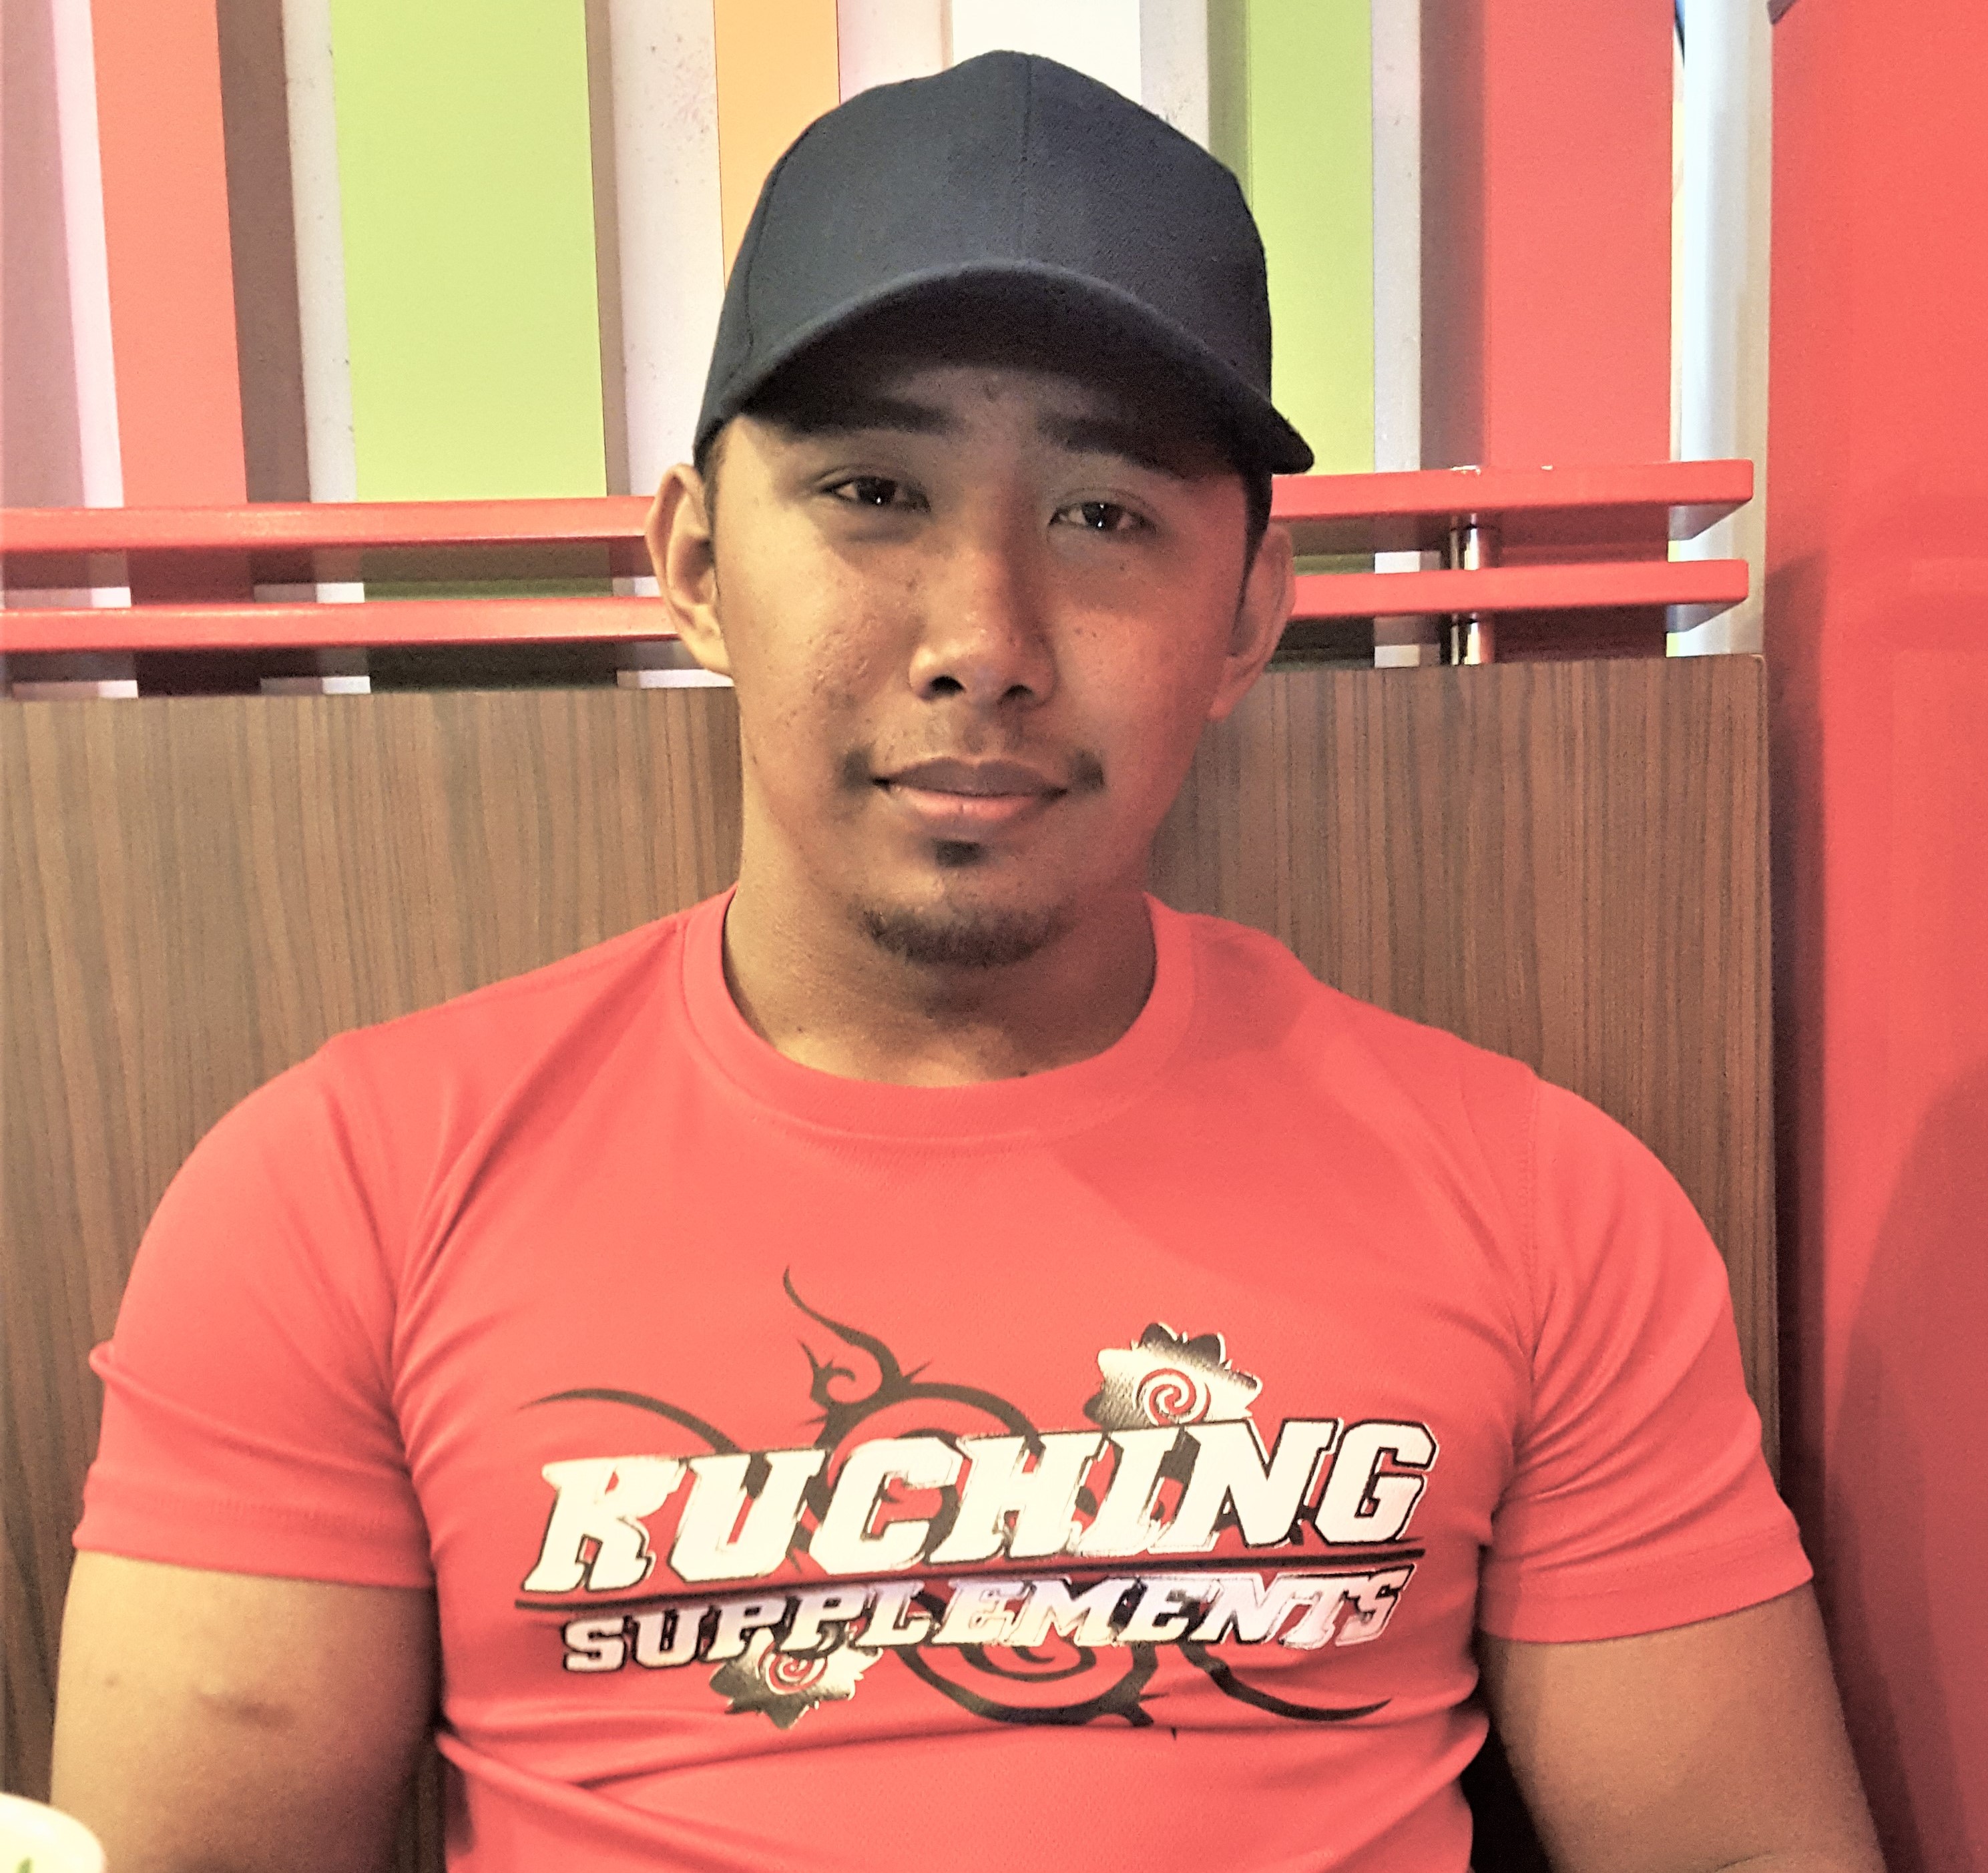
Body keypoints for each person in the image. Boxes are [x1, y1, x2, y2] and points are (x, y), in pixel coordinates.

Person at [51, 51, 1880, 1873]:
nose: (984, 637)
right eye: (872, 489)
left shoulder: (1545, 1207)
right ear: (695, 563)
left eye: (1105, 516)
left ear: (1248, 613)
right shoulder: (344, 1195)